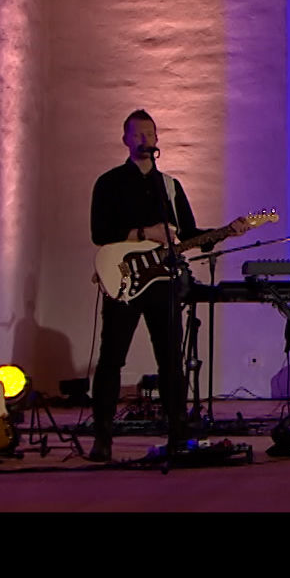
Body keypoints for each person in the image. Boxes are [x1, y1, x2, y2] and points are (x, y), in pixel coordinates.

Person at [87, 110, 247, 461]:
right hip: (125, 282)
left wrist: (224, 232)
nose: (145, 139)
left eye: (150, 133)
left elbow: (187, 234)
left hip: (163, 282)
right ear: (126, 140)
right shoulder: (109, 183)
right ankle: (102, 436)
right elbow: (100, 233)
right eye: (137, 134)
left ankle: (178, 432)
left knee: (171, 359)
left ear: (157, 139)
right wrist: (145, 233)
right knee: (112, 358)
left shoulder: (170, 186)